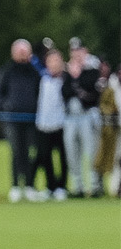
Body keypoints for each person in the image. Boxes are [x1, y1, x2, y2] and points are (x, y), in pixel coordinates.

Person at [0, 39, 42, 201]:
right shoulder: (6, 71)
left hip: (30, 119)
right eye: (19, 51)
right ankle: (15, 186)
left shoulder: (35, 72)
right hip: (12, 119)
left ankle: (29, 185)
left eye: (24, 51)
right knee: (16, 152)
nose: (22, 55)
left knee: (29, 152)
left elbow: (39, 94)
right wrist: (6, 106)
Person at [31, 49, 73, 201]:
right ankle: (51, 186)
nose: (54, 64)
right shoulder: (42, 78)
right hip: (43, 123)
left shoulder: (66, 79)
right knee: (45, 156)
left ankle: (62, 186)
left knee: (62, 157)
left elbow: (69, 95)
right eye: (51, 61)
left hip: (62, 123)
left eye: (56, 61)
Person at [65, 38, 102, 197]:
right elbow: (65, 92)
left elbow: (92, 92)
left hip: (87, 115)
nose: (76, 54)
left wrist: (77, 77)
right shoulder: (67, 70)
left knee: (91, 152)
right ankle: (78, 186)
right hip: (71, 117)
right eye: (73, 51)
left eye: (79, 51)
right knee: (72, 153)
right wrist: (73, 77)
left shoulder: (92, 69)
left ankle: (95, 186)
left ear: (84, 51)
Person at [99, 61, 119, 196]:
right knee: (116, 158)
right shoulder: (112, 86)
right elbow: (104, 105)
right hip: (114, 128)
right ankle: (114, 187)